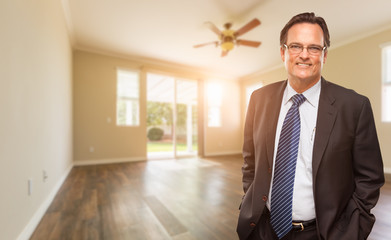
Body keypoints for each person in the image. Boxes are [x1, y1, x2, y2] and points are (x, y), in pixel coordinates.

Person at [236, 12, 384, 240]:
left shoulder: (354, 106)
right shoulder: (259, 99)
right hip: (263, 229)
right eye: (296, 46)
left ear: (324, 56)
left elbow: (369, 178)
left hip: (322, 233)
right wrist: (251, 199)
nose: (304, 55)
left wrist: (352, 230)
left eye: (314, 48)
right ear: (283, 52)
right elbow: (250, 160)